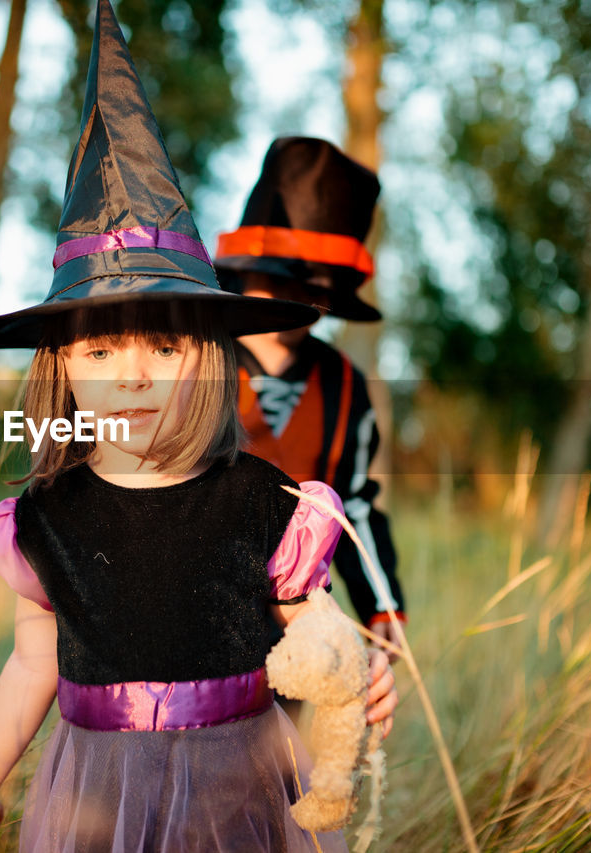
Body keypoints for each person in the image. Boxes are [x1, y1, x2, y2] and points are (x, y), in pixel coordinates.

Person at [0, 3, 397, 850]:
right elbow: (34, 659)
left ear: (205, 355)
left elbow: (329, 575)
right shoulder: (50, 516)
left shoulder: (295, 452)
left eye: (166, 345)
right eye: (100, 350)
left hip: (242, 743)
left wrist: (363, 649)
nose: (134, 372)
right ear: (59, 369)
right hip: (99, 777)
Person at [214, 138, 408, 654]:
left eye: (314, 290)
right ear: (242, 272)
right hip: (199, 614)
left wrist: (380, 603)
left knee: (292, 734)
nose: (295, 304)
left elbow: (356, 510)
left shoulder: (347, 387)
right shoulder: (194, 363)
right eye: (279, 281)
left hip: (301, 629)